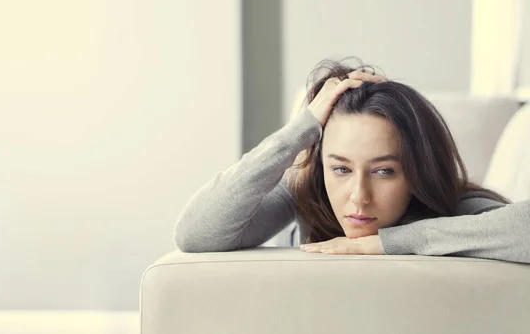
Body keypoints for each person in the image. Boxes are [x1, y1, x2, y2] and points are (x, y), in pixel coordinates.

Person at [173, 57, 530, 264]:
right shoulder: (303, 190)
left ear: (416, 172)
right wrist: (299, 132)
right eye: (341, 169)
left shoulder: (446, 208)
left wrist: (389, 242)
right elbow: (194, 234)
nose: (358, 197)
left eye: (384, 171)